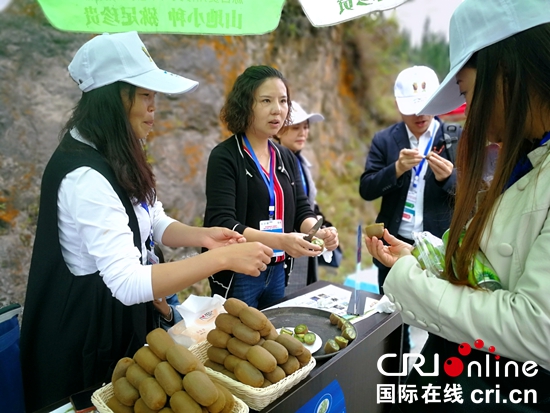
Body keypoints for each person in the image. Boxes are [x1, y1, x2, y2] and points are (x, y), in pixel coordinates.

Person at [19, 32, 273, 412]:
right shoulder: (84, 176)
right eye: (146, 96)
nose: (155, 108)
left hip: (119, 324)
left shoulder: (116, 149)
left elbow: (152, 219)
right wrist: (219, 260)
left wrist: (204, 237)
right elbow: (126, 282)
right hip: (82, 337)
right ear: (114, 98)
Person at [365, 0, 550, 411]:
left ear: (506, 70)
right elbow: (496, 268)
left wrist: (410, 277)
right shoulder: (526, 158)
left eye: (465, 91)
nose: (470, 111)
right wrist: (420, 258)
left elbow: (537, 328)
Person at [203, 66, 339, 309]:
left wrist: (317, 232)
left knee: (272, 336)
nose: (278, 109)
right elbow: (222, 222)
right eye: (266, 100)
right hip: (240, 271)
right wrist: (281, 241)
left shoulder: (286, 157)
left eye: (283, 100)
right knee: (241, 341)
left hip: (277, 270)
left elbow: (301, 211)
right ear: (245, 105)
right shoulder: (225, 156)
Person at [359, 65, 461, 357]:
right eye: (412, 109)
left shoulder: (455, 137)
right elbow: (366, 188)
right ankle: (393, 379)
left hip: (439, 246)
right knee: (392, 318)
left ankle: (434, 385)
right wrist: (396, 169)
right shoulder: (385, 140)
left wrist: (449, 179)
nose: (420, 115)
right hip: (393, 243)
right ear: (398, 106)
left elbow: (476, 191)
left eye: (427, 106)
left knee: (442, 321)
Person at [273, 101, 327, 294]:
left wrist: (321, 226)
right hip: (283, 245)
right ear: (278, 131)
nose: (303, 132)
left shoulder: (302, 162)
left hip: (305, 241)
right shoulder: (273, 163)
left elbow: (306, 203)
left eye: (306, 127)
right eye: (296, 127)